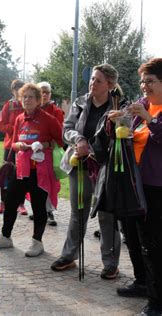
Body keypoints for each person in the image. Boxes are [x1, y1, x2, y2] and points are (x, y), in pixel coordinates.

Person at [51, 64, 122, 280]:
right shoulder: (80, 102)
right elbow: (66, 129)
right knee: (78, 212)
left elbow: (123, 134)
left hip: (106, 167)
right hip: (79, 164)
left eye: (98, 80)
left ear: (109, 85)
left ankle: (110, 264)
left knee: (107, 214)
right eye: (92, 79)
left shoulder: (119, 105)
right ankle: (69, 255)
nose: (92, 83)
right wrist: (78, 139)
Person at [108, 58, 162, 315]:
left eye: (150, 81)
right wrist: (117, 120)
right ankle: (144, 283)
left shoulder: (151, 111)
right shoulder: (142, 105)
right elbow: (126, 131)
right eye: (142, 81)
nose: (144, 86)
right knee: (136, 238)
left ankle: (157, 303)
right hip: (135, 183)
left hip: (157, 187)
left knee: (154, 244)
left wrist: (151, 120)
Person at [0, 83, 63, 257]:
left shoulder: (48, 119)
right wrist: (18, 145)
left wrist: (45, 144)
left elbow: (62, 140)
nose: (26, 100)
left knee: (38, 206)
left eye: (31, 97)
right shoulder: (19, 118)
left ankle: (37, 242)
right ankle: (6, 236)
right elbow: (14, 141)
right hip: (21, 169)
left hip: (40, 170)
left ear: (38, 100)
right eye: (24, 96)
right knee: (10, 201)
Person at [36, 81, 65, 226]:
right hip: (34, 153)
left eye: (46, 92)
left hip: (49, 154)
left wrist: (47, 144)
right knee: (36, 183)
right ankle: (38, 210)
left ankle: (49, 211)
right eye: (41, 91)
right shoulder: (31, 110)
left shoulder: (57, 111)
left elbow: (59, 134)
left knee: (50, 183)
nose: (44, 95)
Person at [0, 79, 26, 215]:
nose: (19, 91)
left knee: (22, 175)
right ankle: (3, 201)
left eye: (21, 88)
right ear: (12, 90)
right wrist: (14, 128)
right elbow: (1, 124)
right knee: (6, 174)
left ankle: (21, 204)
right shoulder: (8, 105)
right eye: (16, 89)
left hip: (24, 146)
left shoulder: (28, 104)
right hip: (10, 145)